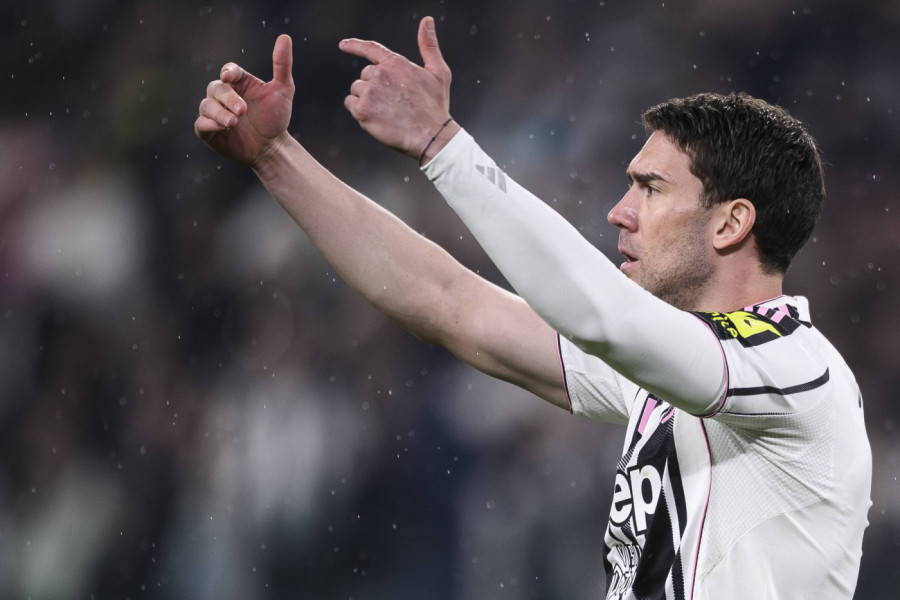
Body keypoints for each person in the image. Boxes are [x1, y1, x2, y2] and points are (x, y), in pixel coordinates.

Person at [195, 16, 871, 600]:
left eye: (651, 189)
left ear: (730, 224)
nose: (619, 212)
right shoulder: (666, 371)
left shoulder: (793, 371)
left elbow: (601, 316)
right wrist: (275, 157)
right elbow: (446, 300)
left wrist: (443, 146)